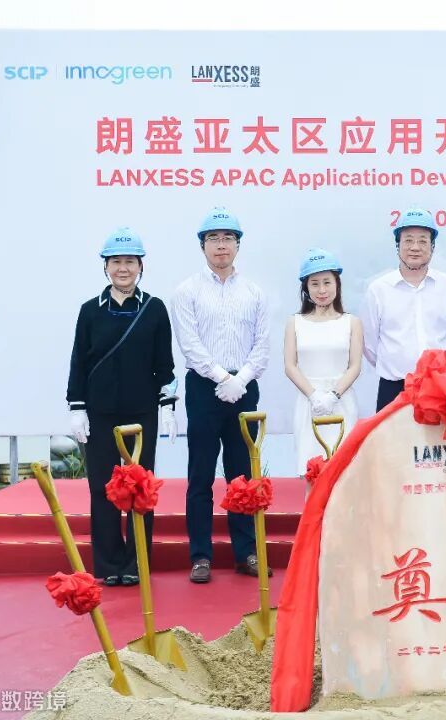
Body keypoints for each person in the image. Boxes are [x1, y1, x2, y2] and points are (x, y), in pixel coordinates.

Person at [66, 227, 176, 587]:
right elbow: (79, 362)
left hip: (141, 415)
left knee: (141, 489)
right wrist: (76, 407)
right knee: (102, 488)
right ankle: (109, 563)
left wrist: (168, 406)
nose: (123, 268)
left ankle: (136, 562)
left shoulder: (154, 309)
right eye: (116, 261)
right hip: (100, 414)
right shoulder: (89, 311)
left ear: (141, 266)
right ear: (105, 266)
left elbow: (165, 365)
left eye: (130, 261)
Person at [171, 207, 270, 584]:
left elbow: (262, 346)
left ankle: (246, 552)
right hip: (203, 387)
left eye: (228, 238)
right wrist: (220, 377)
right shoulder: (187, 291)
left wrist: (239, 379)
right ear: (202, 246)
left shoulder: (255, 292)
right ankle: (200, 556)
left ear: (238, 245)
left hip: (244, 388)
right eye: (213, 238)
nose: (221, 245)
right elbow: (190, 344)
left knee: (242, 473)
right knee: (200, 474)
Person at [362, 207, 446, 411]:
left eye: (422, 241)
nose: (415, 247)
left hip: (441, 386)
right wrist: (395, 366)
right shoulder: (378, 290)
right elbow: (370, 346)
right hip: (394, 388)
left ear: (432, 246)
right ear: (397, 245)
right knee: (391, 434)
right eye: (408, 240)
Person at [284, 248, 362, 474]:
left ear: (337, 284)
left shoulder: (352, 322)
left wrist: (333, 396)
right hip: (309, 403)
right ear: (306, 288)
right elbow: (290, 366)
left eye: (327, 282)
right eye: (315, 284)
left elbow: (355, 366)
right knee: (312, 470)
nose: (322, 290)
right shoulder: (295, 322)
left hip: (342, 402)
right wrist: (314, 396)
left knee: (344, 473)